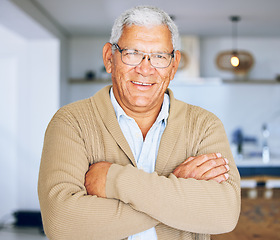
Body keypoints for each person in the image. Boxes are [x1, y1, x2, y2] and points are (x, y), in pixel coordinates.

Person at [38, 5, 240, 240]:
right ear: (109, 58)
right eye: (132, 53)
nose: (145, 69)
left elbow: (224, 214)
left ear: (173, 65)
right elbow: (63, 224)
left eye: (159, 56)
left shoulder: (205, 126)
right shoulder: (71, 123)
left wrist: (114, 179)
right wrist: (179, 190)